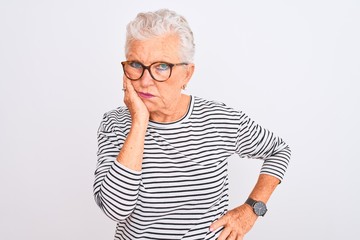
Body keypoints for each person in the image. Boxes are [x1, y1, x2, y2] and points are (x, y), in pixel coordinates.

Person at [93, 8, 291, 240]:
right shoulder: (115, 124)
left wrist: (251, 209)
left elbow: (279, 150)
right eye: (136, 64)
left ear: (187, 74)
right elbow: (116, 209)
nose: (145, 81)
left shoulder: (219, 119)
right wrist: (139, 121)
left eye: (161, 67)